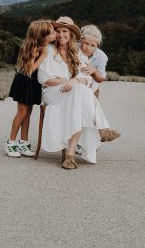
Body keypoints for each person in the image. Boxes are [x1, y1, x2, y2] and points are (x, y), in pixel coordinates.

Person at [38, 16, 114, 170]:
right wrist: (68, 81)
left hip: (72, 92)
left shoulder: (77, 52)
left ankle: (70, 157)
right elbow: (43, 79)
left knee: (80, 94)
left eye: (64, 31)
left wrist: (74, 81)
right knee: (80, 91)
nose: (61, 35)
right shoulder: (48, 50)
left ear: (71, 33)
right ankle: (102, 128)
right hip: (52, 93)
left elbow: (87, 79)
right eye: (58, 31)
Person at [5, 20, 56, 158]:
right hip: (25, 82)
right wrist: (43, 56)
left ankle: (23, 142)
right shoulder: (34, 49)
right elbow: (29, 70)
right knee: (22, 113)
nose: (55, 33)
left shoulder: (42, 46)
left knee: (28, 113)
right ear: (43, 36)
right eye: (52, 32)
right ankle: (11, 142)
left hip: (33, 83)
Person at [76, 24, 120, 155]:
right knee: (89, 106)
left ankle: (87, 142)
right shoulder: (74, 50)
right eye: (85, 43)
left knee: (90, 108)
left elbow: (101, 79)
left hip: (92, 88)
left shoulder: (101, 57)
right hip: (75, 86)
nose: (88, 47)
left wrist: (94, 71)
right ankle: (103, 131)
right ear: (80, 41)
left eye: (92, 45)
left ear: (97, 45)